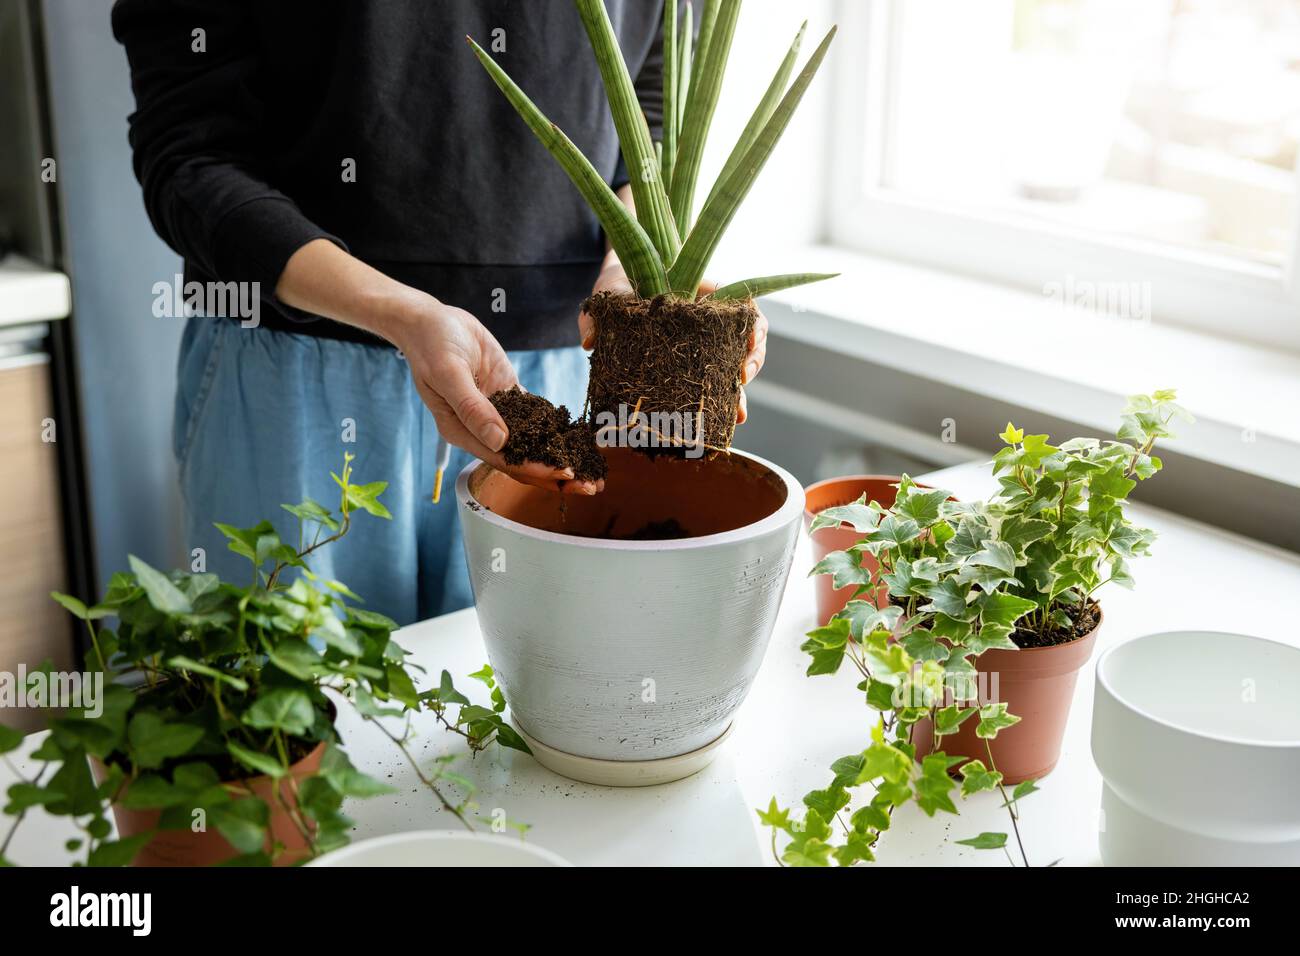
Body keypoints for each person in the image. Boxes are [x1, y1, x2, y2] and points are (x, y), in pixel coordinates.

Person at [111, 0, 767, 624]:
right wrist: (400, 312)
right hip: (295, 377)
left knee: (528, 713)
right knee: (287, 713)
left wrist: (630, 279)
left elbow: (651, 124)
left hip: (567, 370)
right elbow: (190, 154)